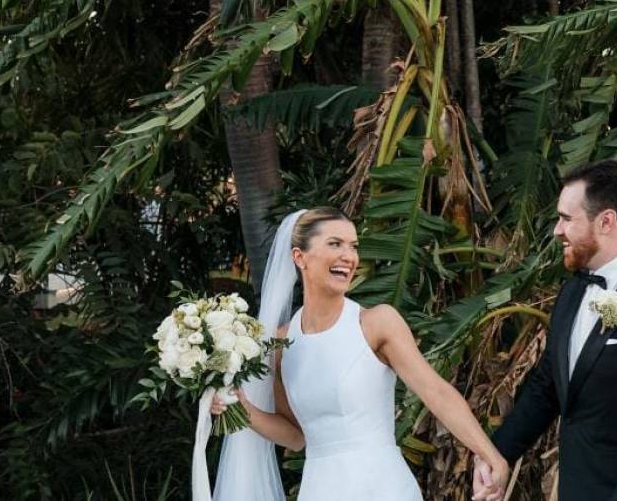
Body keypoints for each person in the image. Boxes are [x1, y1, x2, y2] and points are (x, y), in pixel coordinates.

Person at [205, 207, 509, 501]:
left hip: (381, 488)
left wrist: (489, 453)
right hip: (319, 490)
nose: (348, 257)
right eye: (335, 244)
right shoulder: (281, 342)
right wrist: (244, 411)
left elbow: (436, 392)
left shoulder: (376, 323)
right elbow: (296, 437)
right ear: (300, 257)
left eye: (353, 246)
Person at [475, 160, 617, 501]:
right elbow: (546, 387)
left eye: (566, 219)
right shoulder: (573, 292)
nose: (557, 231)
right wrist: (495, 456)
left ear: (606, 221)